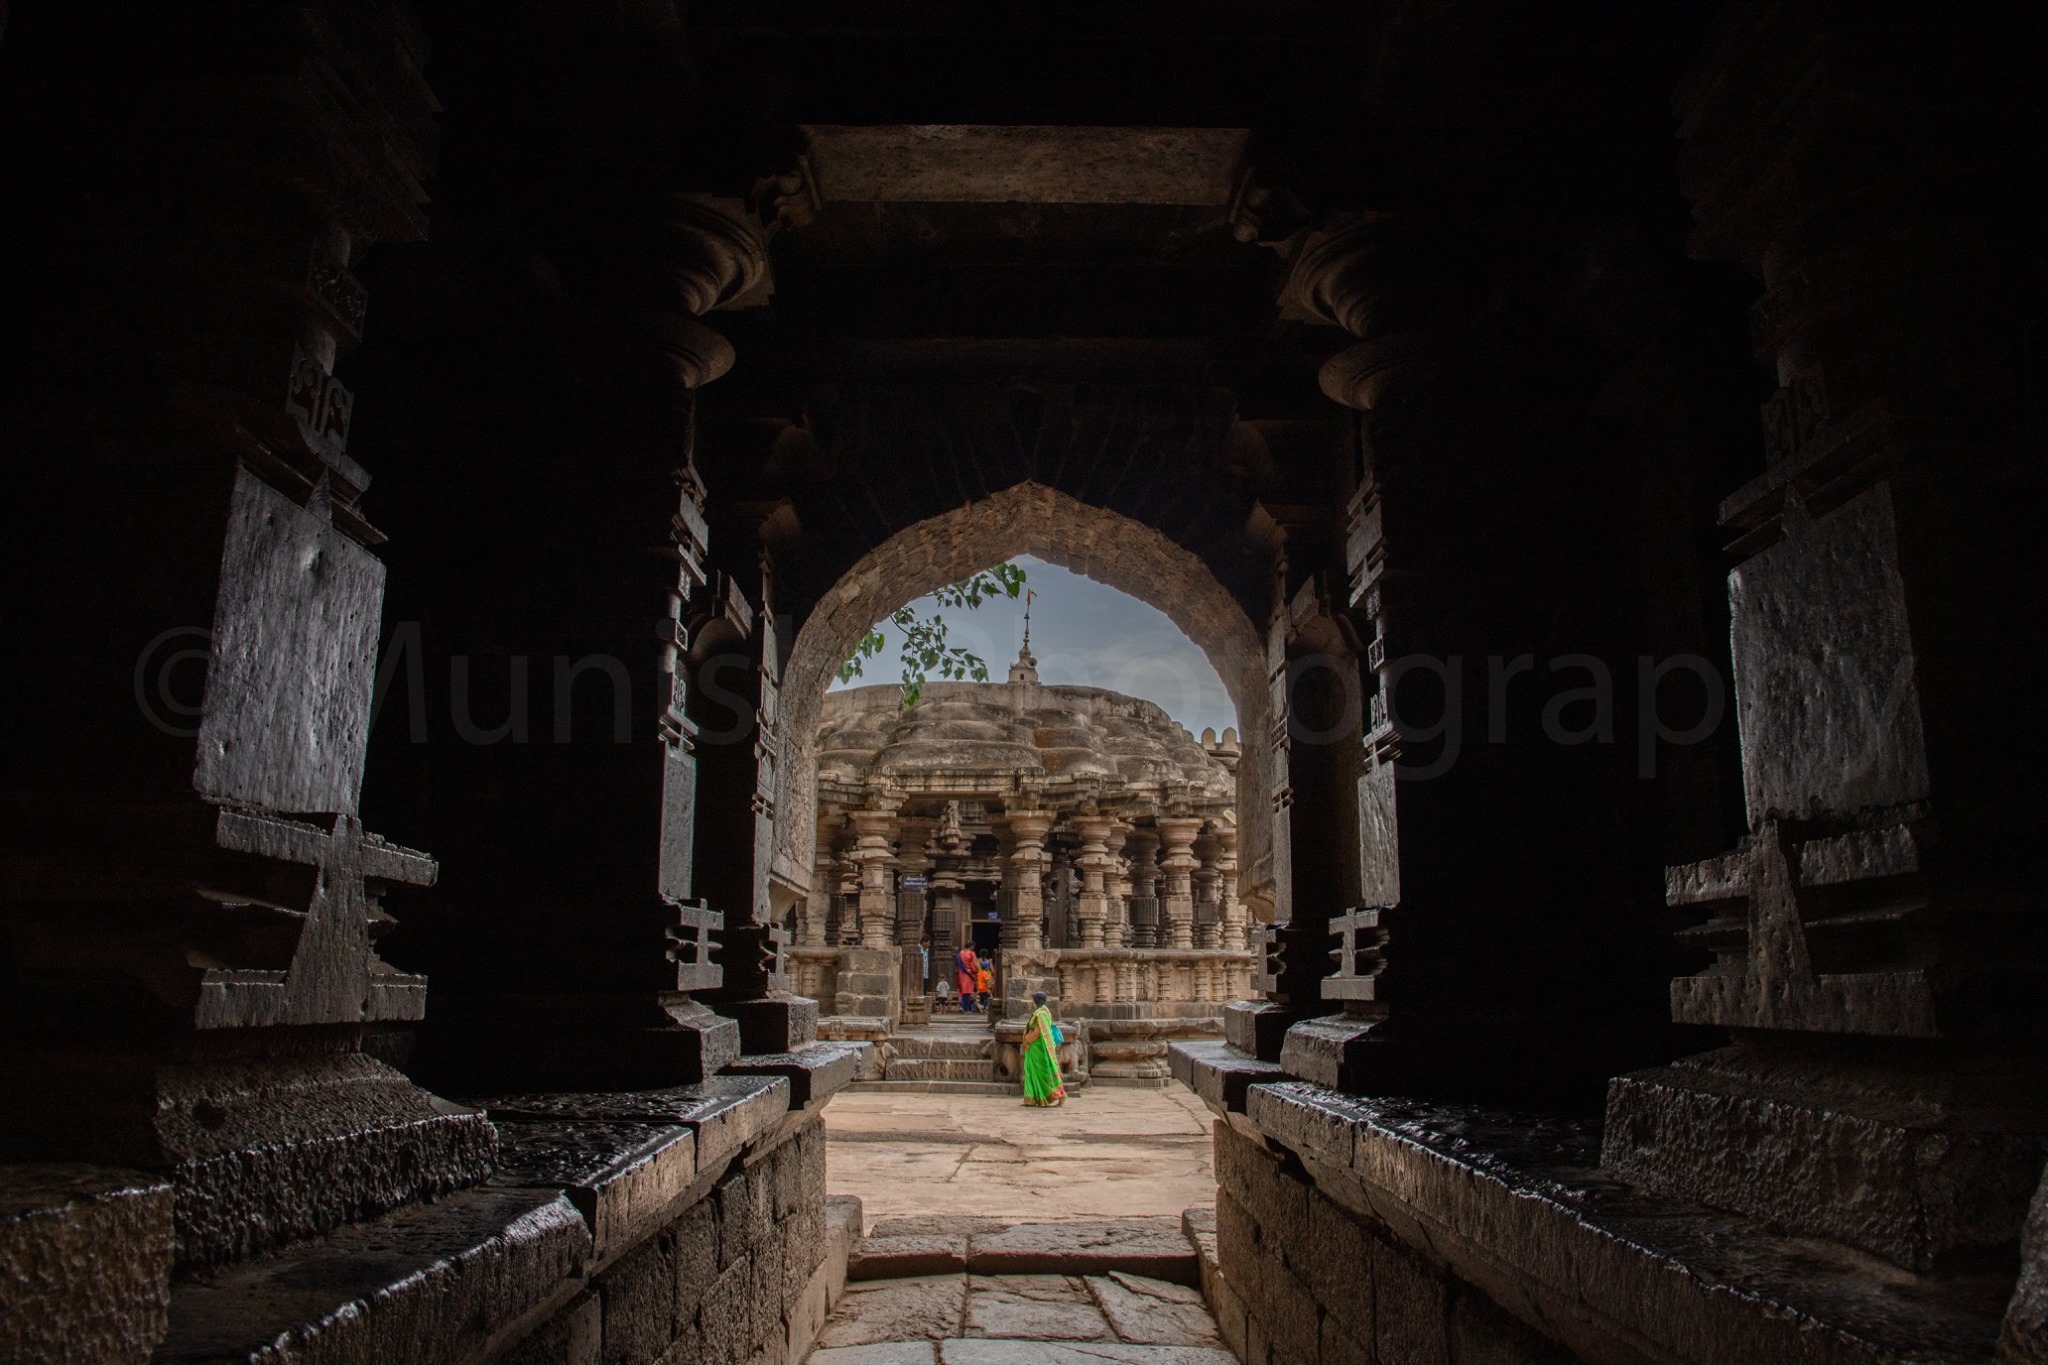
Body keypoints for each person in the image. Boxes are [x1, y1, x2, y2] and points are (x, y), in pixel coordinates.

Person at [1020, 990, 1066, 1107]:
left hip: (1038, 1048)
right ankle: (1033, 1098)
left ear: (1036, 1001)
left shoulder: (1041, 1014)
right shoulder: (1044, 1012)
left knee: (1046, 1071)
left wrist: (1027, 1040)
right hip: (1035, 1048)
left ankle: (1060, 1096)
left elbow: (1038, 1031)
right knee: (1034, 1072)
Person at [956, 945, 979, 1013]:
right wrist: (977, 971)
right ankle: (966, 1008)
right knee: (968, 992)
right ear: (972, 946)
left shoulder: (960, 954)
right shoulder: (972, 953)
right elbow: (974, 964)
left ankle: (963, 1006)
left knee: (963, 991)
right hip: (969, 974)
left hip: (961, 974)